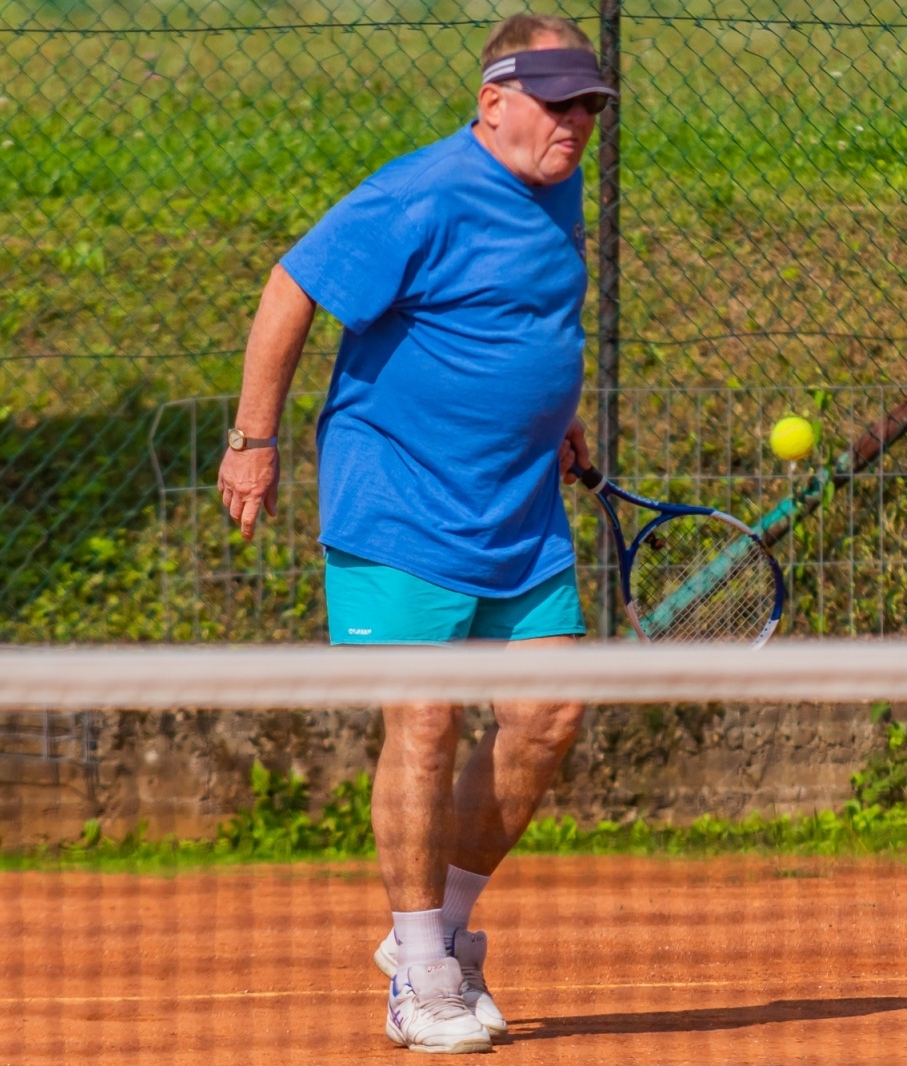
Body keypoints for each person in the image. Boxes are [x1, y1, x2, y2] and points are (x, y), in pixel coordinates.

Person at [215, 12, 615, 1054]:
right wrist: (253, 438)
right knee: (426, 723)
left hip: (520, 505)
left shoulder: (555, 184)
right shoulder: (419, 191)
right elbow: (290, 288)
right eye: (555, 102)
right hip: (397, 503)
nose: (574, 123)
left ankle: (436, 934)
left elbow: (521, 311)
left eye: (588, 107)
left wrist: (552, 412)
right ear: (492, 102)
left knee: (551, 716)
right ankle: (419, 967)